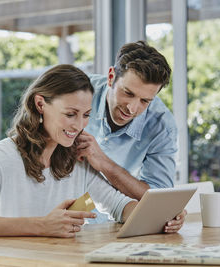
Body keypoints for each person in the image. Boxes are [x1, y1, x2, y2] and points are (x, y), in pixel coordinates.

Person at [0, 65, 180, 239]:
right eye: (70, 114)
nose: (78, 126)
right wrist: (42, 226)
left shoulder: (75, 162)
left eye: (86, 115)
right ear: (40, 105)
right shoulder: (5, 156)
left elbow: (120, 207)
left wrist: (163, 217)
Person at [77, 41, 186, 225]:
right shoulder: (78, 92)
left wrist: (104, 163)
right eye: (127, 93)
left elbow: (159, 198)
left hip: (120, 221)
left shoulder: (162, 126)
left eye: (145, 101)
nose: (132, 108)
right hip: (64, 209)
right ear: (111, 77)